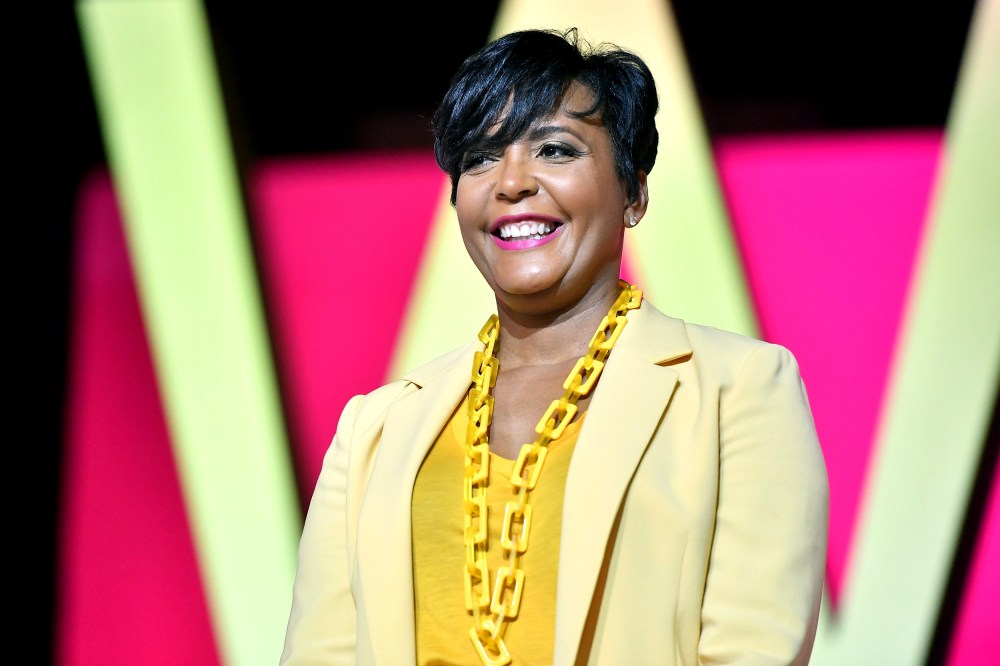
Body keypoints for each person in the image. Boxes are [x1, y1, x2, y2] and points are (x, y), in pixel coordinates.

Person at [279, 27, 829, 666]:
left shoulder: (740, 390)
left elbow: (751, 650)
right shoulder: (375, 427)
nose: (512, 182)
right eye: (480, 158)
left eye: (555, 150)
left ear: (634, 192)